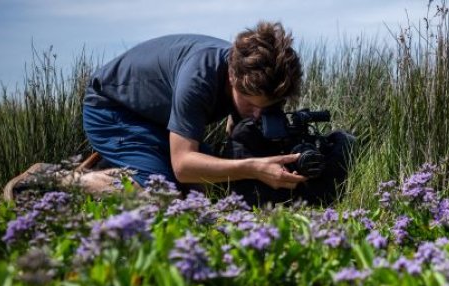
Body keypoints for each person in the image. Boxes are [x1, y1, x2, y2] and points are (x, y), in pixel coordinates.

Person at [81, 21, 309, 195]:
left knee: (206, 189)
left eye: (266, 108)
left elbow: (236, 133)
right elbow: (183, 165)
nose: (257, 114)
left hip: (157, 120)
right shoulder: (199, 79)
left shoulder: (254, 75)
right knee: (162, 196)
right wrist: (253, 168)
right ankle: (61, 180)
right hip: (110, 109)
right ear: (231, 76)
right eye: (249, 104)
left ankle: (122, 162)